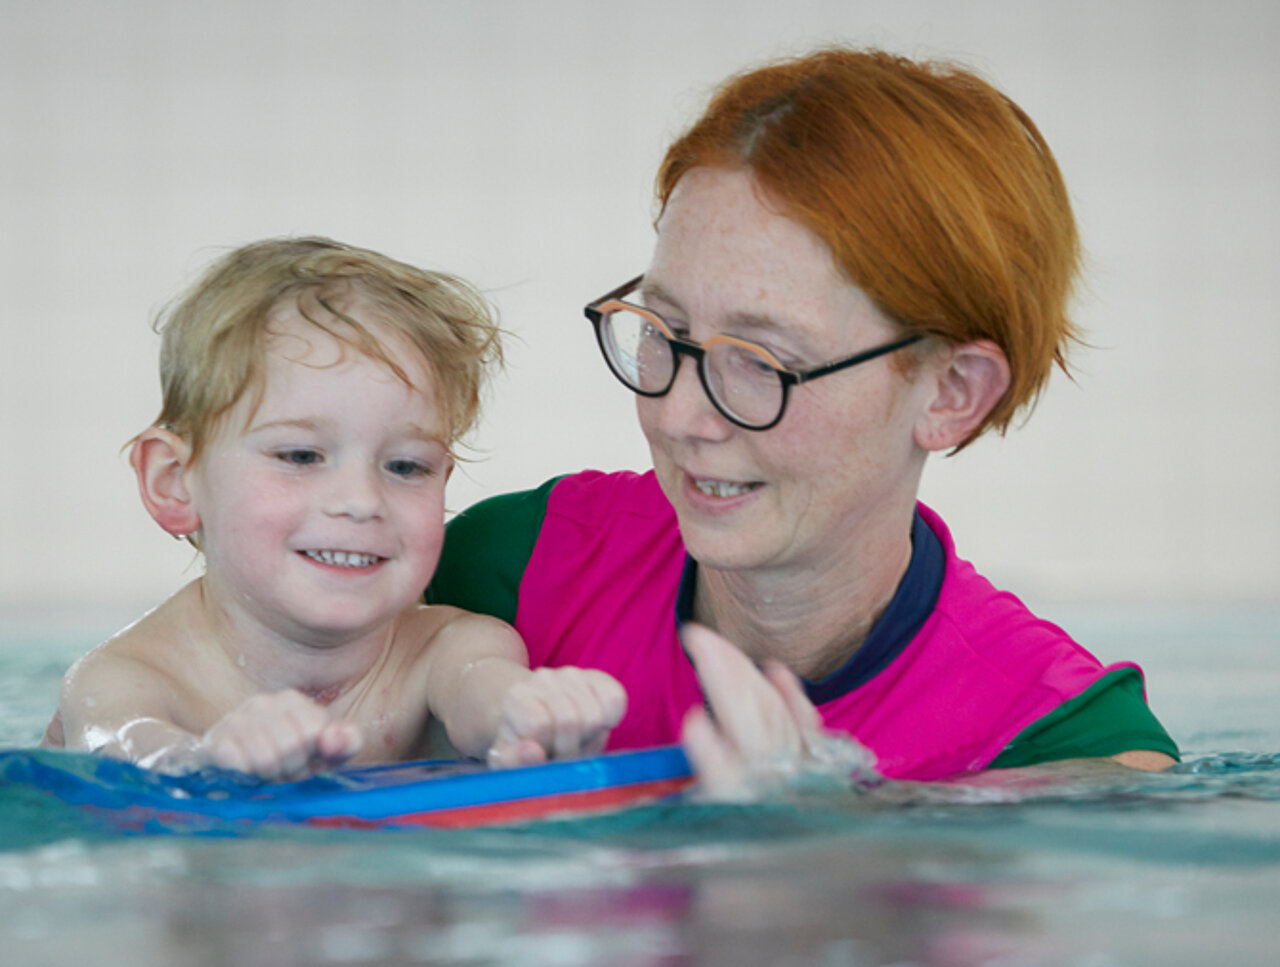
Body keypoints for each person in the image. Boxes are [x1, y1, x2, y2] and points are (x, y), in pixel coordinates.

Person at [425, 48, 1180, 789]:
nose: (680, 414)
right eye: (664, 332)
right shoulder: (513, 574)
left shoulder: (1060, 745)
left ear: (951, 391)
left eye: (760, 359)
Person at [44, 236, 625, 780]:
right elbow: (119, 753)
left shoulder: (452, 648)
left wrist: (531, 714)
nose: (361, 501)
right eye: (300, 455)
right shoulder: (128, 678)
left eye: (405, 467)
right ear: (175, 482)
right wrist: (209, 764)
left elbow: (486, 698)